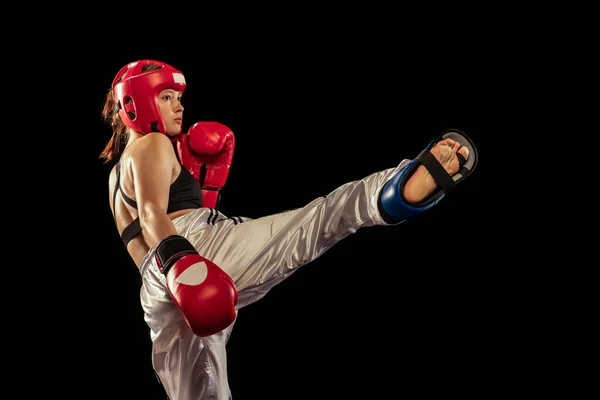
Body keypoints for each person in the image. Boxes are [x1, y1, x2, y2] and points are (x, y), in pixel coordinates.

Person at [99, 59, 478, 400]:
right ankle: (393, 189)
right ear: (136, 105)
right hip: (186, 254)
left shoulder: (117, 174)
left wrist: (206, 195)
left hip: (157, 292)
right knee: (320, 219)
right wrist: (184, 265)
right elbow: (152, 215)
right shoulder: (152, 144)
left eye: (178, 96)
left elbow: (145, 229)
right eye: (166, 96)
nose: (179, 105)